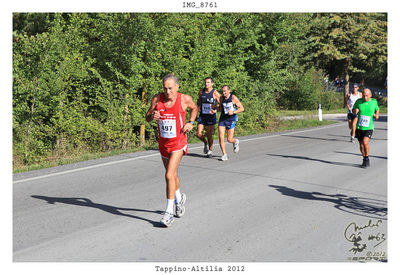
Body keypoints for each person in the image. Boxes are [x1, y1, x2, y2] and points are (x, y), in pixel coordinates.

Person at [145, 74, 198, 227]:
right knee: (172, 175)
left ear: (177, 87)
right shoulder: (157, 99)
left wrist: (191, 122)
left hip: (178, 143)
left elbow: (195, 109)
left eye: (170, 88)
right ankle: (179, 198)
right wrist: (152, 115)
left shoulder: (184, 99)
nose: (168, 92)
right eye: (165, 88)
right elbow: (147, 116)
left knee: (168, 174)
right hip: (163, 143)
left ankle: (168, 212)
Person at [352, 88, 380, 168]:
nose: (365, 97)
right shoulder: (358, 101)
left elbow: (377, 109)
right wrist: (355, 111)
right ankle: (364, 158)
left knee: (365, 142)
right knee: (361, 145)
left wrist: (377, 115)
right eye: (364, 96)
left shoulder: (374, 102)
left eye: (367, 96)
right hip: (359, 126)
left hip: (369, 127)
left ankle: (367, 158)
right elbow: (353, 110)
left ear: (370, 95)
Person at [217, 85, 244, 161]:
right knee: (221, 135)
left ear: (229, 91)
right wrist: (215, 109)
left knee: (229, 139)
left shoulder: (233, 98)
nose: (223, 92)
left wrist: (233, 112)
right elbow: (220, 108)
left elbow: (242, 108)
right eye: (222, 91)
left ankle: (235, 141)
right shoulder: (221, 98)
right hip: (223, 118)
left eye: (225, 91)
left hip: (231, 119)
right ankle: (224, 154)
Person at [196, 77, 221, 158]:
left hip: (211, 116)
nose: (206, 84)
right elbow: (199, 101)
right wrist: (199, 106)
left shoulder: (215, 93)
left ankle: (210, 150)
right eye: (205, 82)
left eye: (208, 82)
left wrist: (216, 109)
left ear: (212, 83)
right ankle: (205, 142)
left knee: (209, 133)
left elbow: (222, 104)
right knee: (199, 134)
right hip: (203, 115)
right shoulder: (201, 92)